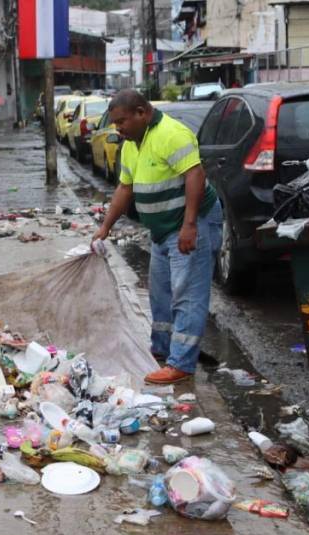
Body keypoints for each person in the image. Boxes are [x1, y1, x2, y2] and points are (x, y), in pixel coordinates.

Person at [92, 90, 222, 385]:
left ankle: (182, 363)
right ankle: (162, 349)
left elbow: (195, 176)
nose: (118, 128)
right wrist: (105, 228)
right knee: (160, 291)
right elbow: (125, 189)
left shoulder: (171, 134)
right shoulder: (131, 146)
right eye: (115, 123)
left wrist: (190, 226)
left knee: (186, 293)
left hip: (191, 221)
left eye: (122, 121)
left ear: (142, 112)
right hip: (161, 229)